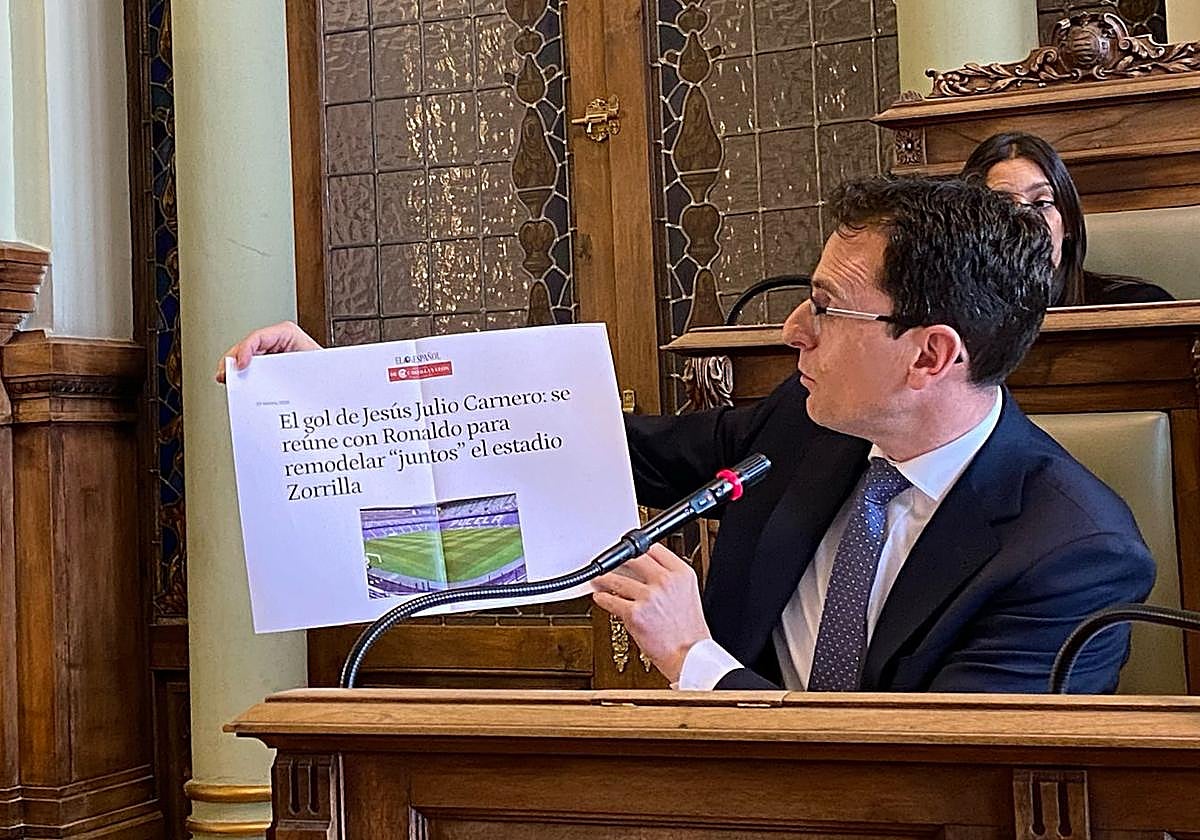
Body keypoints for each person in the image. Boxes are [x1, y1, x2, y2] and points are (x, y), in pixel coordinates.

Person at [219, 176, 1155, 694]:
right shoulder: (809, 423)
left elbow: (922, 791)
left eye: (826, 309)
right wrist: (338, 390)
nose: (792, 330)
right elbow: (589, 444)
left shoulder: (1070, 556)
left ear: (930, 354)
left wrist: (692, 656)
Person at [961, 131, 1173, 307]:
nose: (1025, 221)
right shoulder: (948, 316)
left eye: (1041, 204)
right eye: (1003, 205)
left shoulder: (1137, 305)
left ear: (1068, 221)